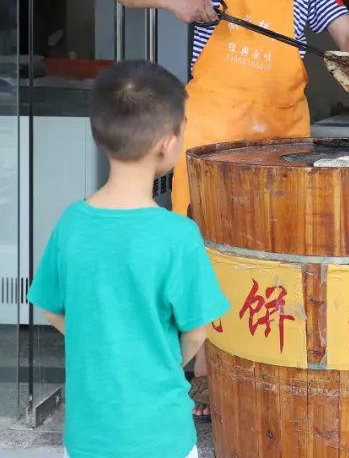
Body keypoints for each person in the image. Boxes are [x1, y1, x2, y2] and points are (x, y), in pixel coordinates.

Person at [109, 0, 349, 416]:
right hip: (215, 132)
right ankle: (203, 376)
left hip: (282, 134)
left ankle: (271, 369)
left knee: (278, 253)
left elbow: (345, 30)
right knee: (205, 254)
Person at [27, 60, 229, 458]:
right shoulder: (178, 235)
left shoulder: (72, 223)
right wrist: (160, 358)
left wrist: (100, 342)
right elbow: (197, 332)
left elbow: (51, 310)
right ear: (168, 143)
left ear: (100, 135)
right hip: (162, 435)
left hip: (88, 435)